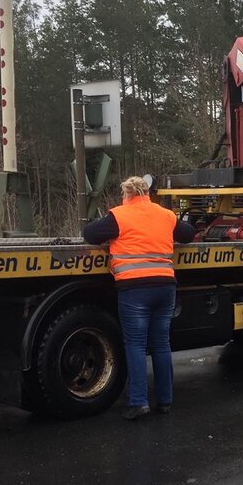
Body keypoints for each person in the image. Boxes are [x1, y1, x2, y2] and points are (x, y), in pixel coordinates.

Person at [83, 176, 194, 420]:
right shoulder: (165, 215)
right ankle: (165, 401)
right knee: (161, 344)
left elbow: (89, 234)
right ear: (148, 193)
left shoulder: (119, 216)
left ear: (127, 194)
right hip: (165, 287)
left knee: (135, 344)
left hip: (135, 289)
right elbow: (188, 234)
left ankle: (138, 402)